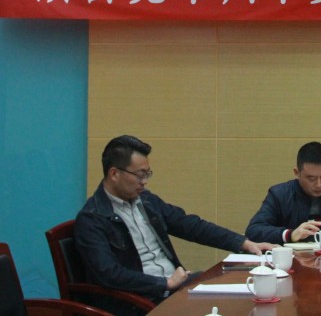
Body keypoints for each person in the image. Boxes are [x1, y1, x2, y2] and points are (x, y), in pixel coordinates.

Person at [74, 135, 277, 316]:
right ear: (114, 174)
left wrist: (244, 243)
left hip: (172, 289)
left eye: (147, 174)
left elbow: (190, 226)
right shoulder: (92, 218)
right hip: (139, 300)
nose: (144, 182)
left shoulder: (146, 201)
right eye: (140, 175)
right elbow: (108, 273)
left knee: (246, 296)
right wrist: (164, 283)